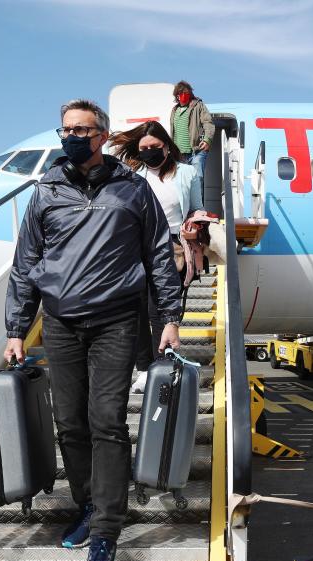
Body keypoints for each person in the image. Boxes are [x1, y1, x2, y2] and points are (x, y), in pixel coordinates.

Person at [3, 99, 183, 561]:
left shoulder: (133, 190)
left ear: (102, 135)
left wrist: (169, 317)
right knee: (71, 422)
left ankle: (106, 532)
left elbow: (159, 258)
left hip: (116, 319)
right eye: (65, 129)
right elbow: (26, 262)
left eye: (81, 129)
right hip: (59, 322)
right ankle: (86, 505)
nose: (71, 136)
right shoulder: (47, 191)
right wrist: (17, 327)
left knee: (106, 421)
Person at [110, 120, 203, 393]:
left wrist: (196, 225)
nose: (150, 152)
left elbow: (197, 209)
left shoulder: (186, 173)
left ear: (167, 146)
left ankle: (162, 365)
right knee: (137, 309)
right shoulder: (131, 175)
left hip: (172, 246)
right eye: (144, 148)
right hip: (136, 247)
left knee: (160, 309)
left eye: (155, 147)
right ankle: (143, 367)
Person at [169, 80, 215, 180]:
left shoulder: (198, 106)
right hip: (179, 154)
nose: (184, 95)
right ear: (177, 96)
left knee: (197, 179)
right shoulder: (174, 110)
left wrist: (207, 139)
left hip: (196, 152)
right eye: (181, 94)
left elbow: (208, 122)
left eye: (186, 93)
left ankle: (199, 196)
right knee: (181, 181)